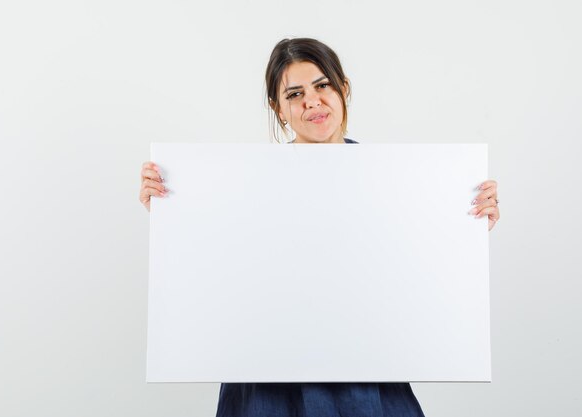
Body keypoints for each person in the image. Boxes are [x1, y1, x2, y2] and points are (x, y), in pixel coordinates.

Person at [138, 37, 500, 417]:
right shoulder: (244, 182)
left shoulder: (396, 181)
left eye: (322, 85)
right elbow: (216, 271)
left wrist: (463, 229)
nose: (312, 101)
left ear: (343, 89)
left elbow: (415, 273)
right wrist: (173, 214)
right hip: (266, 380)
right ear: (278, 109)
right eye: (294, 93)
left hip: (366, 376)